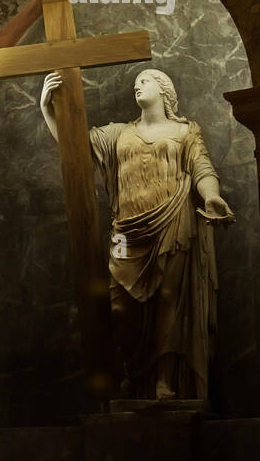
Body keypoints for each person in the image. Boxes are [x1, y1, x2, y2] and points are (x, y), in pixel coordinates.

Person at [40, 66, 233, 400]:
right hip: (125, 231)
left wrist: (212, 196)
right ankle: (134, 369)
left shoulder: (185, 131)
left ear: (164, 89)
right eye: (135, 83)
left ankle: (164, 380)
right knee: (119, 309)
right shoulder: (117, 134)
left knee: (170, 301)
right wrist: (47, 109)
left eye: (145, 80)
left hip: (173, 220)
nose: (137, 86)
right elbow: (75, 148)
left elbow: (201, 168)